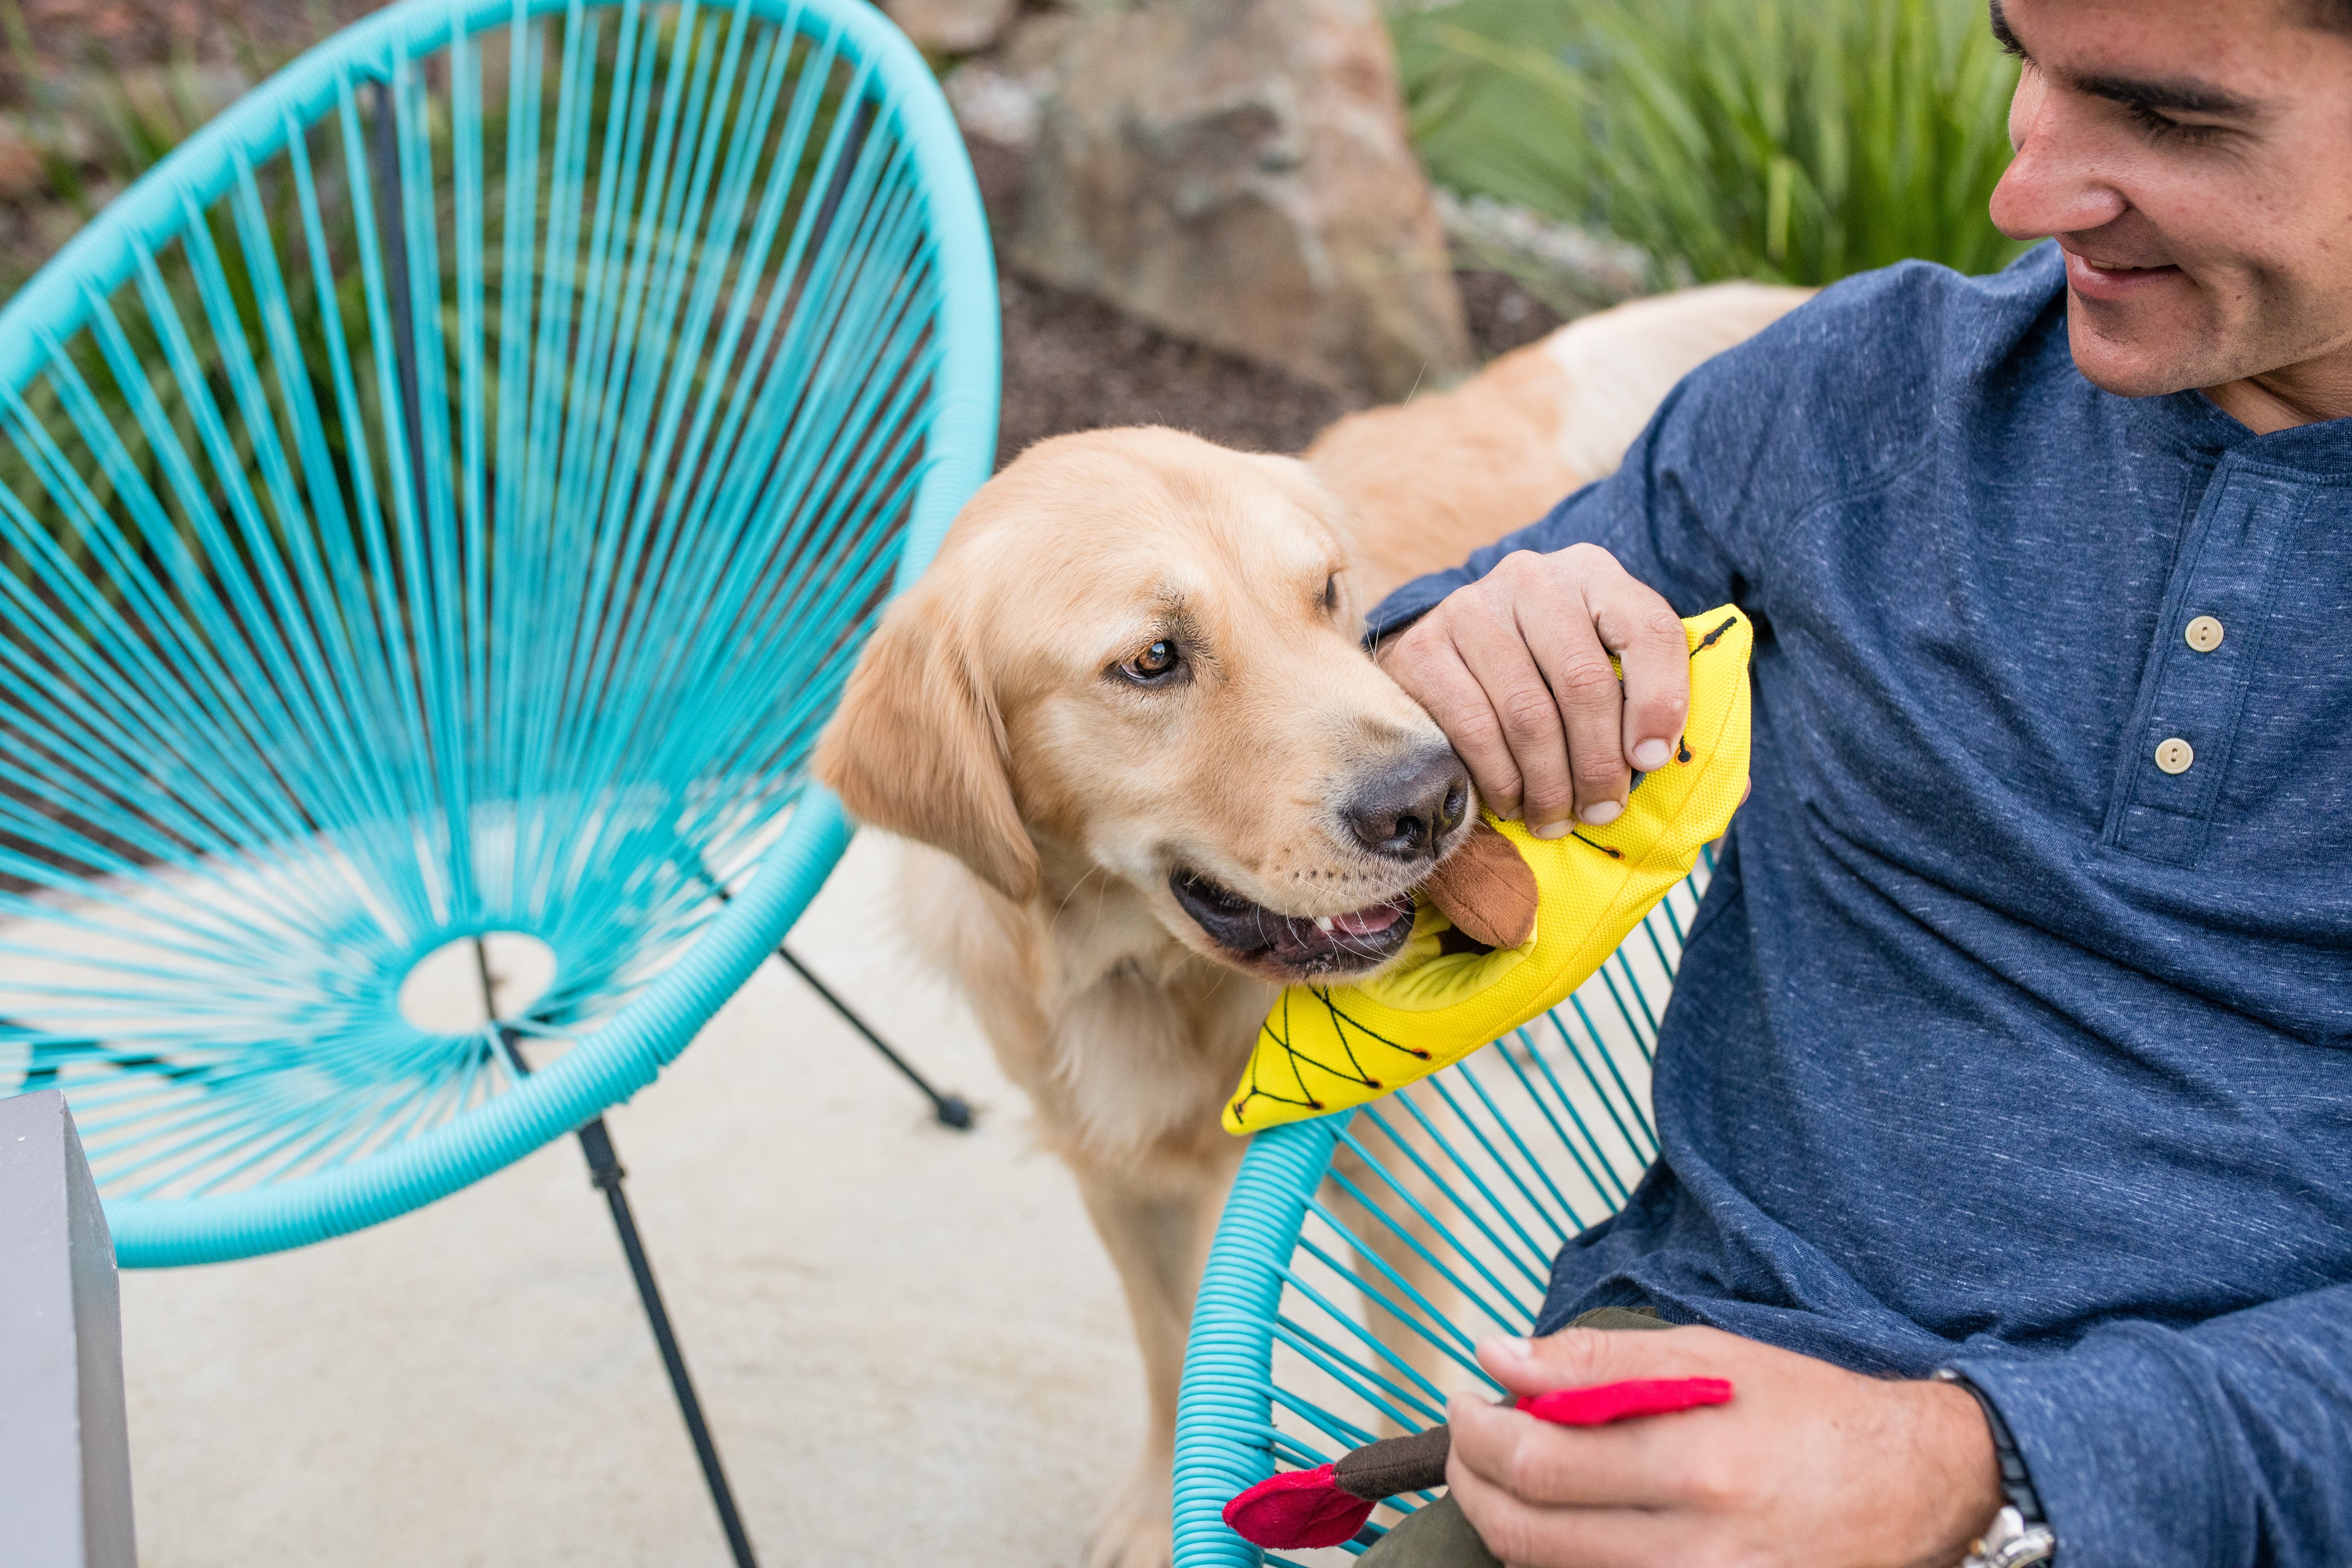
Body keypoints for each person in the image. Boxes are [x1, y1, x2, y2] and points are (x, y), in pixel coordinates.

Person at [1356, 1, 2352, 1564]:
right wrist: (1446, 664)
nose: (2024, 192)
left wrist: (1978, 1464)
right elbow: (1389, 694)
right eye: (2025, 60)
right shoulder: (1867, 394)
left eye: (2170, 120)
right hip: (1697, 1412)